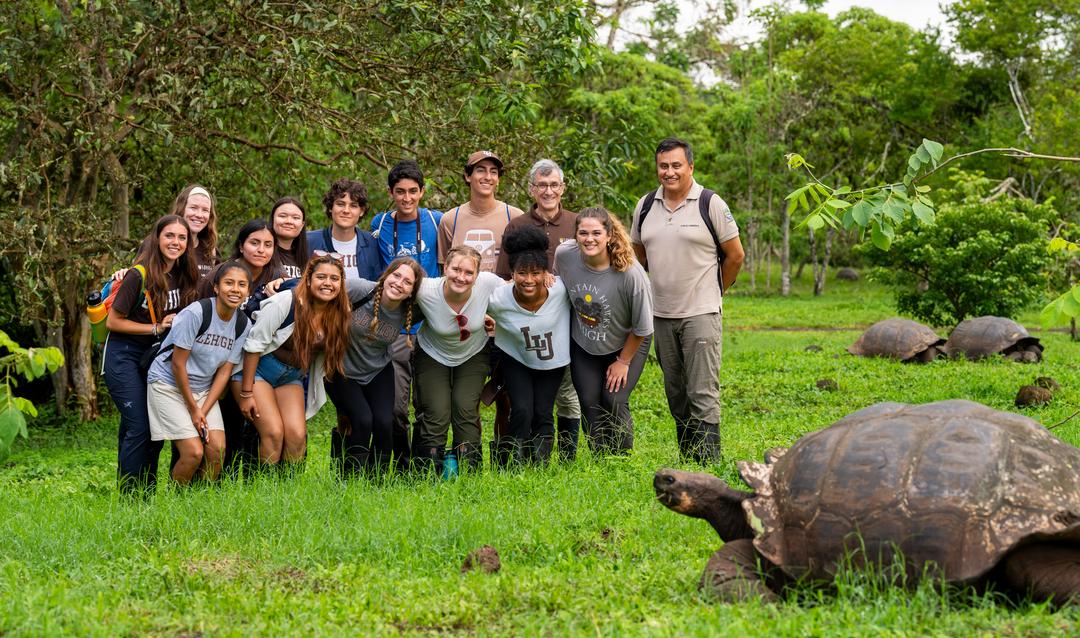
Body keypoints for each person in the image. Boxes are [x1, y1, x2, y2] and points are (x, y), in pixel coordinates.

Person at [630, 137, 744, 463]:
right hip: (661, 314)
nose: (669, 172)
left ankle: (709, 466)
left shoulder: (711, 203)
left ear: (690, 166)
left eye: (676, 165)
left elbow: (735, 256)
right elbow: (639, 254)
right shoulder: (646, 205)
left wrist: (716, 289)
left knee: (702, 392)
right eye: (663, 166)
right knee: (676, 392)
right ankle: (688, 462)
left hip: (701, 312)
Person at [104, 215, 200, 492]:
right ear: (157, 238)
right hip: (125, 355)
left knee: (155, 430)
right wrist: (156, 327)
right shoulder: (139, 273)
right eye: (169, 236)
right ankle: (130, 499)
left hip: (156, 359)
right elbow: (114, 321)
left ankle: (145, 493)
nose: (176, 242)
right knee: (140, 426)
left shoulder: (184, 273)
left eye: (182, 238)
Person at [436, 150, 524, 448]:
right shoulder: (451, 219)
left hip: (503, 318)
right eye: (480, 170)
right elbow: (443, 273)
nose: (487, 177)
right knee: (467, 395)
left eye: (493, 172)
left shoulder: (515, 216)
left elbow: (522, 270)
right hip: (465, 320)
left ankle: (504, 458)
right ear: (467, 176)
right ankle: (467, 454)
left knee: (506, 394)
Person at [495, 158, 582, 460]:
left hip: (565, 329)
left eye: (554, 185)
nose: (548, 191)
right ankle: (517, 459)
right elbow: (503, 278)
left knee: (564, 398)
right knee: (521, 404)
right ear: (532, 189)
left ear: (563, 188)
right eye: (542, 185)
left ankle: (565, 458)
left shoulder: (577, 223)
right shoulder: (517, 225)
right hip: (523, 330)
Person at [233, 254, 350, 469]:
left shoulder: (339, 313)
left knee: (297, 436)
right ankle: (263, 492)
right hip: (257, 372)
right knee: (273, 433)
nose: (327, 283)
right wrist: (246, 393)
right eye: (321, 277)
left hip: (291, 377)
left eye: (335, 279)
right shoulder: (286, 301)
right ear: (308, 279)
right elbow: (253, 346)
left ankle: (287, 491)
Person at [556, 207, 653, 455]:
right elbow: (558, 288)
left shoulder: (630, 274)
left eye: (597, 233)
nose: (590, 239)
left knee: (614, 400)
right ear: (575, 235)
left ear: (609, 235)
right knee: (589, 401)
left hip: (628, 342)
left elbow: (642, 327)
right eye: (583, 233)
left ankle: (621, 461)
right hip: (584, 342)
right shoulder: (565, 255)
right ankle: (602, 459)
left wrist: (623, 362)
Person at [146, 261, 252, 484]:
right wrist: (194, 410)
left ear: (248, 292)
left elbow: (224, 372)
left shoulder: (243, 324)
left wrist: (202, 409)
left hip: (203, 389)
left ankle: (200, 501)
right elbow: (177, 364)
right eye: (229, 283)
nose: (235, 289)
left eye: (242, 285)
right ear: (216, 287)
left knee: (217, 450)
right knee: (193, 452)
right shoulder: (196, 313)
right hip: (168, 385)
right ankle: (175, 504)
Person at [369, 160, 442, 465]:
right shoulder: (380, 223)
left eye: (413, 191)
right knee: (396, 406)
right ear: (391, 192)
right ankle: (401, 463)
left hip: (430, 325)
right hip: (395, 327)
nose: (407, 198)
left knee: (428, 404)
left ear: (422, 192)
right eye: (400, 192)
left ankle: (424, 464)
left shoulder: (439, 221)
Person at [326, 258, 424, 476]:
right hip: (341, 369)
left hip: (378, 370)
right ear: (385, 276)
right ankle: (348, 479)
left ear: (411, 292)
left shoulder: (411, 309)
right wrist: (281, 285)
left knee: (384, 422)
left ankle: (375, 481)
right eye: (396, 275)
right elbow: (320, 285)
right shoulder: (359, 290)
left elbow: (446, 305)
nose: (399, 283)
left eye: (407, 282)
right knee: (362, 420)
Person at [413, 245, 504, 472]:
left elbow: (518, 293)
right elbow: (388, 291)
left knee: (464, 407)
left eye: (468, 273)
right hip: (432, 353)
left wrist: (549, 278)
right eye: (456, 269)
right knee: (436, 411)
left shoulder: (489, 284)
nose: (461, 277)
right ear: (446, 268)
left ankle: (469, 472)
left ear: (477, 275)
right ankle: (427, 473)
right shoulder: (425, 289)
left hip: (472, 353)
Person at [487, 225, 570, 466]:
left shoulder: (561, 291)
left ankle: (540, 466)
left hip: (552, 361)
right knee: (522, 409)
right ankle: (515, 465)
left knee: (543, 411)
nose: (529, 280)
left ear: (546, 272)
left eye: (536, 273)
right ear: (511, 273)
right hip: (517, 358)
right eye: (522, 273)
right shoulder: (499, 297)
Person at [307, 178, 381, 281]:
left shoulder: (373, 244)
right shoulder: (309, 241)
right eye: (340, 204)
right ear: (330, 207)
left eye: (353, 206)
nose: (346, 210)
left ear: (362, 211)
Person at [200, 219, 283, 299]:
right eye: (254, 243)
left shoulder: (276, 275)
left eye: (268, 245)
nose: (261, 250)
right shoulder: (217, 275)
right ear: (241, 246)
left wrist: (284, 280)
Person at [170, 184, 220, 277]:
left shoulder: (210, 250)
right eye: (193, 208)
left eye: (205, 210)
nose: (199, 215)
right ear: (181, 209)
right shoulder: (161, 243)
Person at [270, 196, 309, 279]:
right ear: (272, 220)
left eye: (295, 218)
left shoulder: (307, 257)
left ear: (302, 225)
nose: (289, 221)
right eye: (283, 216)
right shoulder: (262, 253)